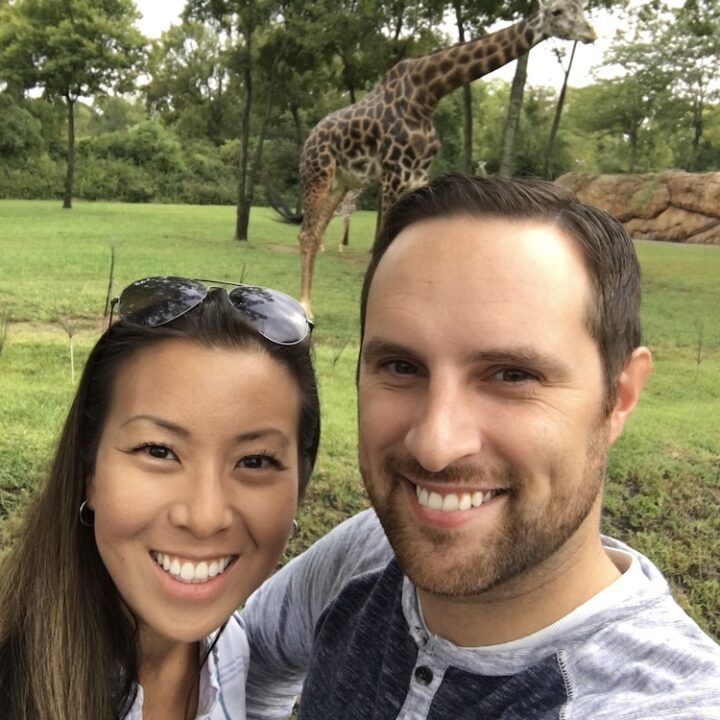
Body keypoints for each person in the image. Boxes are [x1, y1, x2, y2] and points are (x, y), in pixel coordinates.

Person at [242, 173, 720, 719]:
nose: (435, 446)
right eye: (401, 367)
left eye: (511, 375)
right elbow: (246, 657)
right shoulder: (369, 552)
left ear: (620, 396)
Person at [0, 276, 319, 719]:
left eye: (255, 461)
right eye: (158, 451)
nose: (205, 517)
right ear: (88, 471)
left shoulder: (228, 650)